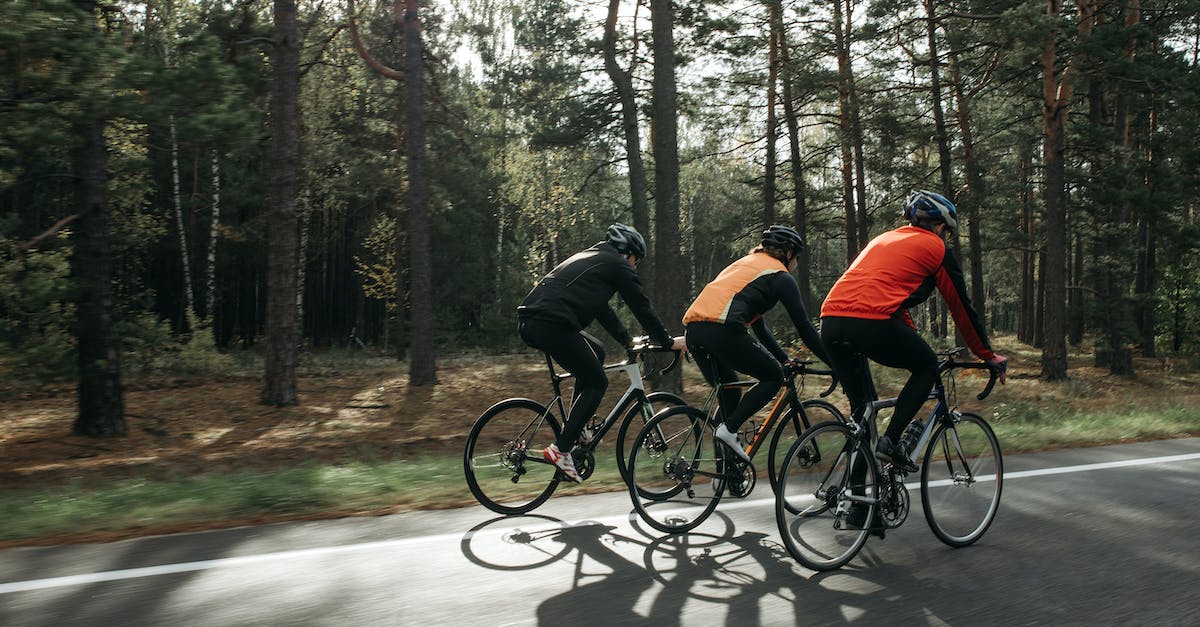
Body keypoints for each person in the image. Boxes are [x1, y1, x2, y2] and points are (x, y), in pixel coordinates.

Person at [820, 190, 1008, 475]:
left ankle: (857, 504)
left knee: (863, 415)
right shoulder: (936, 248)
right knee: (927, 365)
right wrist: (987, 354)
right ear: (941, 226)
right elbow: (961, 307)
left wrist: (912, 335)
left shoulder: (883, 239)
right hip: (870, 322)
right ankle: (892, 441)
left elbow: (889, 299)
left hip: (830, 321)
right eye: (947, 231)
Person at [517, 223, 686, 483]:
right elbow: (641, 305)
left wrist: (627, 340)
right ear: (627, 253)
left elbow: (601, 309)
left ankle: (575, 427)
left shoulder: (595, 258)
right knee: (598, 381)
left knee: (596, 352)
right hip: (550, 324)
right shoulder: (615, 264)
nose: (635, 267)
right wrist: (666, 341)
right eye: (636, 260)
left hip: (536, 321)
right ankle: (561, 450)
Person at [682, 225, 832, 462]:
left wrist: (784, 358)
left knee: (730, 392)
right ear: (789, 253)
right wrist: (835, 363)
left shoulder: (748, 265)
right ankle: (729, 431)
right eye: (797, 257)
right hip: (722, 330)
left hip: (694, 332)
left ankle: (726, 472)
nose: (796, 264)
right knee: (772, 376)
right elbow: (804, 328)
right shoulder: (781, 276)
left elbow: (759, 328)